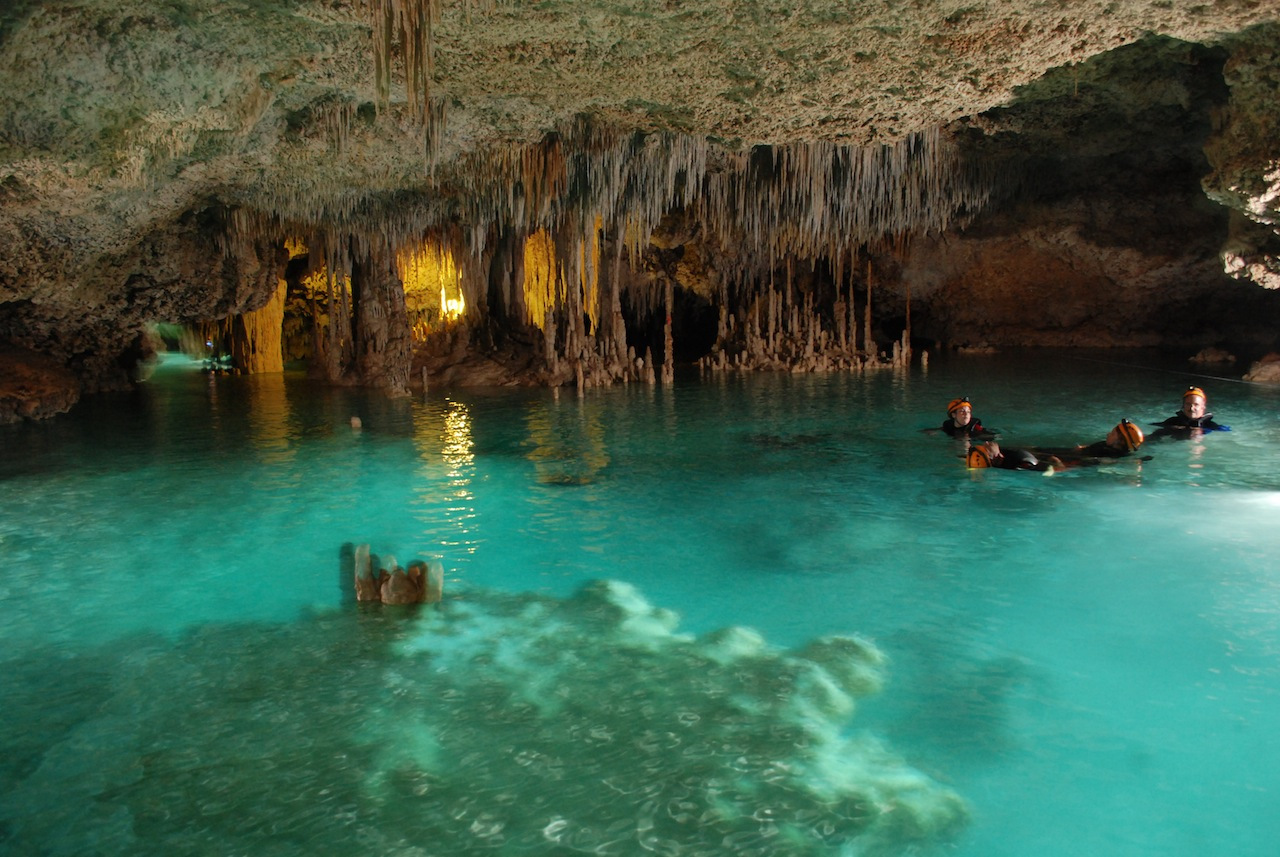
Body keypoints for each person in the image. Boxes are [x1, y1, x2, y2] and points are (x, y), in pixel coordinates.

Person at [1032, 419, 1145, 464]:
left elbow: (1084, 464)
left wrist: (1060, 465)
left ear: (1119, 441)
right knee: (1037, 449)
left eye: (1112, 433)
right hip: (1077, 453)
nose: (1108, 434)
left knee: (1037, 457)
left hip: (1072, 460)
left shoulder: (1109, 457)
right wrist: (1083, 448)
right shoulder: (1108, 446)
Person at [1149, 386, 1229, 437]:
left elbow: (1227, 432)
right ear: (1183, 405)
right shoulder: (1173, 421)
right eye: (1188, 404)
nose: (1191, 408)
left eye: (1196, 405)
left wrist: (1199, 431)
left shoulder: (1210, 425)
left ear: (1203, 407)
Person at [966, 441, 1060, 472]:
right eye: (986, 448)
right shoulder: (1019, 463)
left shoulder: (1020, 462)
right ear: (997, 458)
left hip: (1037, 455)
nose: (986, 443)